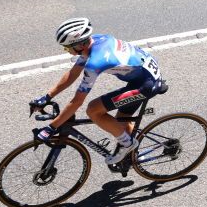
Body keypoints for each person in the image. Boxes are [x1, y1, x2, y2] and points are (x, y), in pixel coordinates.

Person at [31, 18, 167, 165]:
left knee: (93, 110)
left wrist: (51, 127)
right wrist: (47, 96)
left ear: (80, 44)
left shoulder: (95, 62)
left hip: (145, 85)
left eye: (68, 48)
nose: (68, 52)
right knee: (121, 119)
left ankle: (129, 145)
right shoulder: (95, 41)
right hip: (143, 76)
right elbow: (73, 73)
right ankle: (133, 155)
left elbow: (77, 101)